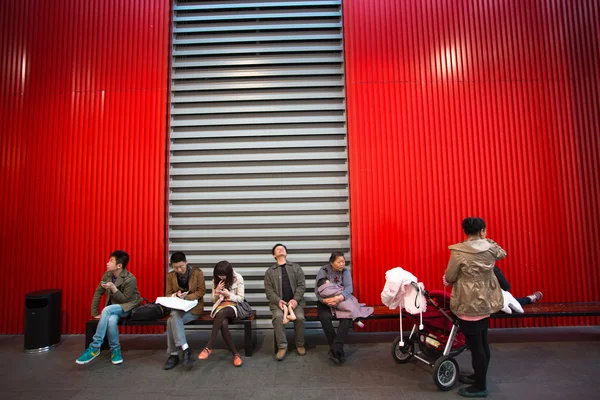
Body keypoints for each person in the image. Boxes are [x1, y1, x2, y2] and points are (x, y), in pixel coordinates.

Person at [445, 217, 504, 398]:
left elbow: (450, 276)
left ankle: (480, 386)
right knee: (482, 341)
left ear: (465, 231)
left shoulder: (458, 251)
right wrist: (485, 239)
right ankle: (479, 376)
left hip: (468, 301)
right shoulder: (491, 247)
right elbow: (502, 253)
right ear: (482, 231)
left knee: (475, 344)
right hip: (486, 299)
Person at [76, 250, 141, 365]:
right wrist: (94, 312)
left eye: (111, 261)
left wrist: (113, 289)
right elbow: (98, 292)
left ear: (119, 265)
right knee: (111, 321)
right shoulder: (107, 275)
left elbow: (126, 300)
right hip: (113, 309)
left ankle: (95, 347)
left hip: (128, 307)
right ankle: (115, 350)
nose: (107, 263)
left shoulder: (130, 278)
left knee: (107, 310)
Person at [163, 252, 206, 371]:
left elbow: (202, 291)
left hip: (194, 308)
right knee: (173, 317)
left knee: (171, 320)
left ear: (186, 263)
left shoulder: (197, 273)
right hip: (178, 308)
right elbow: (167, 294)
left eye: (181, 266)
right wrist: (175, 295)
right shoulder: (170, 276)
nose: (179, 269)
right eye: (175, 267)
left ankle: (174, 354)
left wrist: (187, 297)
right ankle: (185, 349)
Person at [197, 261, 244, 367]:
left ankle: (208, 347)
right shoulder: (215, 280)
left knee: (222, 313)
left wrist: (229, 295)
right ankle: (235, 354)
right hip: (220, 306)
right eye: (219, 275)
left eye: (223, 275)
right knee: (223, 323)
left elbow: (241, 299)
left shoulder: (238, 278)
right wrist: (216, 291)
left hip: (234, 307)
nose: (221, 277)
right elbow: (213, 300)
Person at [264, 243, 306, 361]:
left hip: (295, 303)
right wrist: (278, 301)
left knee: (300, 318)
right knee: (277, 317)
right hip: (278, 304)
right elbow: (268, 290)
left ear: (286, 253)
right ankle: (282, 346)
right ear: (274, 255)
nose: (281, 249)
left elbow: (301, 285)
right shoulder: (269, 272)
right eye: (278, 249)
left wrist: (295, 299)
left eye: (283, 248)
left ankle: (300, 344)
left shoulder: (296, 267)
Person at [315, 252, 354, 365]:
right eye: (339, 262)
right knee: (324, 317)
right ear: (331, 262)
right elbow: (317, 290)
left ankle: (335, 349)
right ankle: (337, 350)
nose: (342, 264)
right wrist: (324, 300)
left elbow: (349, 288)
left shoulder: (345, 272)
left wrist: (340, 298)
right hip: (325, 302)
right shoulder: (323, 271)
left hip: (341, 301)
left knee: (347, 318)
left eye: (343, 261)